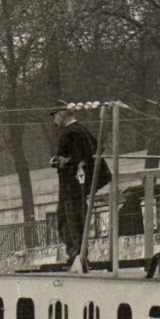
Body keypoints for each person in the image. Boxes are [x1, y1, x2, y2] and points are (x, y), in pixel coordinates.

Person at [49, 106, 102, 271]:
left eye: (55, 117)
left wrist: (58, 162)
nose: (54, 121)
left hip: (70, 186)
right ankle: (78, 254)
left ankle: (76, 255)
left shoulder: (71, 133)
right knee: (74, 219)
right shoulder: (81, 130)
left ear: (62, 115)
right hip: (78, 185)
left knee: (69, 220)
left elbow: (78, 159)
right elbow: (93, 151)